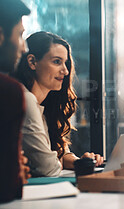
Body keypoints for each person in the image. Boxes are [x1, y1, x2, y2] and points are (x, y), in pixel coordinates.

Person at [13, 31, 104, 177]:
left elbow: (59, 153)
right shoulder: (26, 100)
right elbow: (48, 169)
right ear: (32, 62)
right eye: (57, 62)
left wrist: (79, 162)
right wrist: (57, 161)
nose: (66, 71)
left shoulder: (44, 106)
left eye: (65, 63)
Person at [0, 0, 31, 203]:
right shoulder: (8, 92)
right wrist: (16, 172)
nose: (23, 46)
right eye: (19, 35)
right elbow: (8, 188)